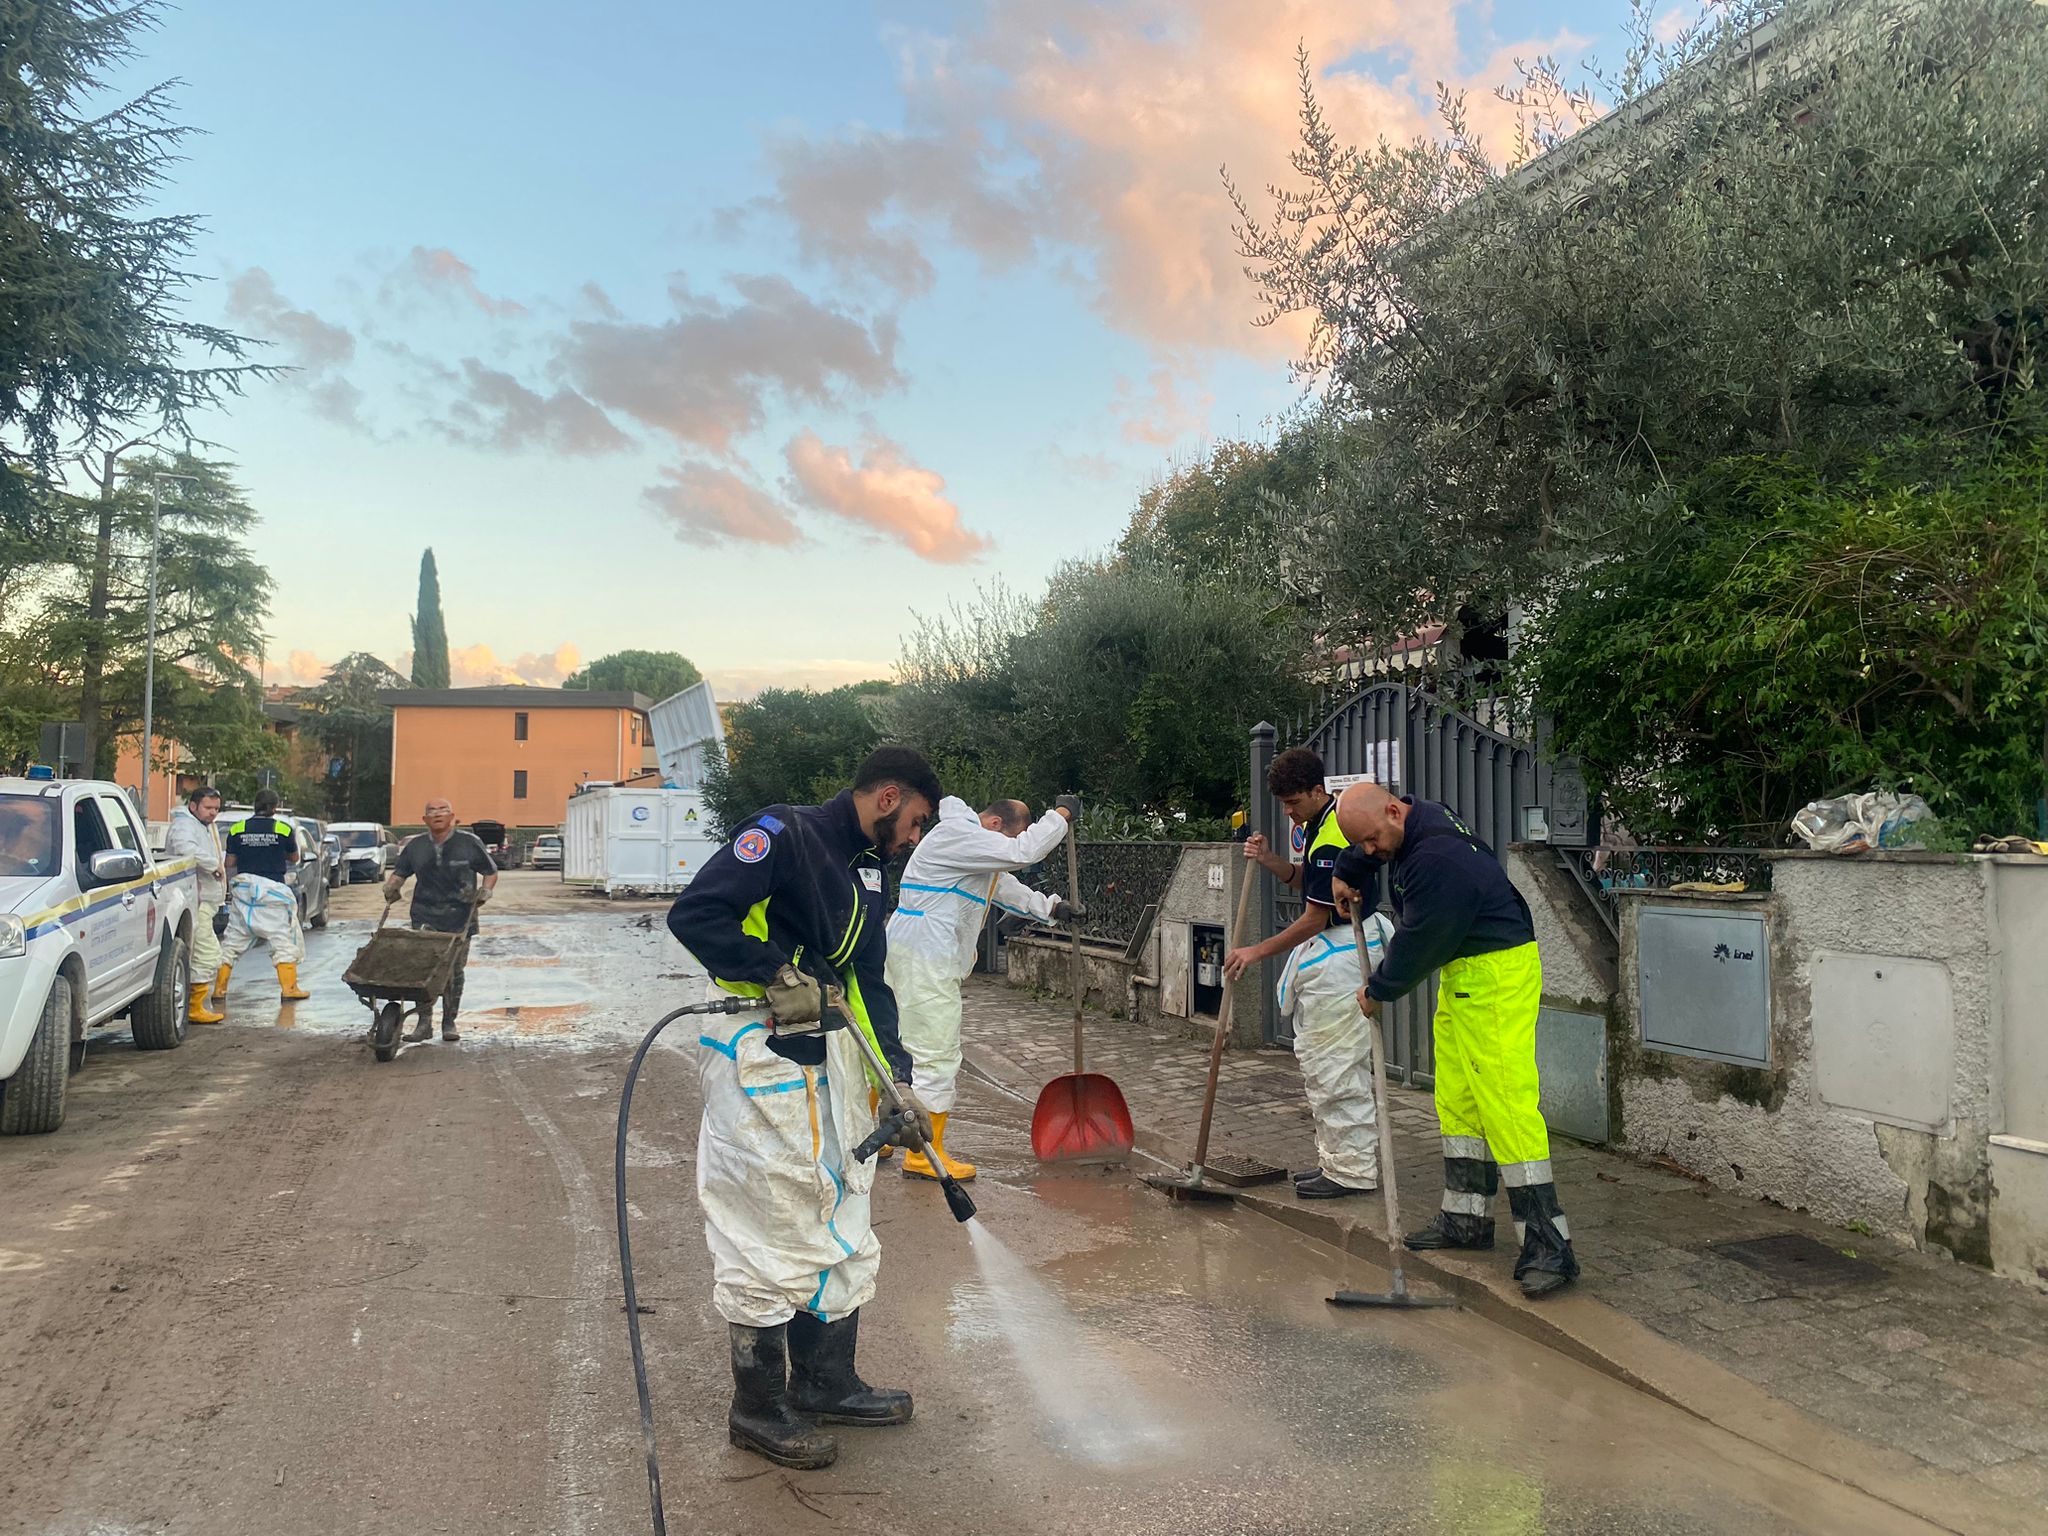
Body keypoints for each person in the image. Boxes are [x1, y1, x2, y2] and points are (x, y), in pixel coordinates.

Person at [665, 746, 941, 1471]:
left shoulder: (869, 871)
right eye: (914, 822)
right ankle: (756, 1407)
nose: (914, 838)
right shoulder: (781, 836)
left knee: (841, 1206)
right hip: (760, 1055)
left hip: (835, 1064)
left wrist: (896, 1077)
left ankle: (826, 1382)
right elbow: (696, 914)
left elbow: (869, 977)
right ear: (887, 797)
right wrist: (773, 972)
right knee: (767, 1218)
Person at [1330, 783, 1579, 1298]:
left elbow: (1421, 939)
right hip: (1467, 976)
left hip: (1494, 976)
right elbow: (1372, 847)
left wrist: (1380, 988)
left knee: (1506, 1106)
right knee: (1459, 1099)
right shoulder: (1417, 821)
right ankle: (1466, 1219)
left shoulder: (1438, 860)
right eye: (1364, 844)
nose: (1372, 850)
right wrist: (1348, 870)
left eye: (1373, 840)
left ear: (1395, 812)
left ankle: (1550, 1247)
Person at [1223, 748, 1389, 1200]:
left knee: (1336, 1067)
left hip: (1343, 955)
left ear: (1319, 791)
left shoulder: (1335, 833)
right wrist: (1271, 859)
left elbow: (1316, 918)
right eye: (1282, 804)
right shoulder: (1321, 823)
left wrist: (1256, 951)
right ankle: (1337, 1163)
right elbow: (1305, 880)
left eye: (1293, 802)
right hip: (1340, 951)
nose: (1288, 812)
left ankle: (1352, 1172)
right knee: (1324, 1065)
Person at [883, 794, 1075, 1181]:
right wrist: (1061, 815)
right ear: (993, 826)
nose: (1004, 848)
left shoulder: (968, 847)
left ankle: (884, 1131)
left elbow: (1004, 887)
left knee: (890, 1042)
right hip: (926, 957)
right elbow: (1025, 852)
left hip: (914, 950)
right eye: (1008, 837)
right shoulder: (958, 834)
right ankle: (924, 1154)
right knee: (936, 1053)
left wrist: (1050, 909)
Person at [382, 798, 497, 1043]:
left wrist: (486, 891)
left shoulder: (469, 843)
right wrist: (391, 887)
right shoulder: (416, 847)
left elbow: (490, 871)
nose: (437, 814)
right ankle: (424, 1024)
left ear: (452, 816)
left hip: (460, 917)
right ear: (424, 819)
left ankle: (449, 1022)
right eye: (431, 811)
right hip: (424, 914)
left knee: (453, 972)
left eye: (442, 810)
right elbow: (400, 873)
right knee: (423, 970)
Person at [217, 789, 309, 1006]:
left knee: (232, 942)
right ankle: (289, 989)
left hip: (245, 892)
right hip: (272, 892)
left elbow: (229, 863)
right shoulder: (283, 828)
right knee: (282, 941)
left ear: (254, 805)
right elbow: (294, 858)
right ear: (274, 807)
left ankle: (219, 990)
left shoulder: (237, 828)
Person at [166, 786, 226, 1023]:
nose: (213, 813)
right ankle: (194, 1007)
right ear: (193, 806)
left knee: (205, 953)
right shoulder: (185, 827)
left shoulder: (202, 826)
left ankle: (196, 1005)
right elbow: (186, 850)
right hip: (195, 900)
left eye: (216, 809)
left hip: (203, 900)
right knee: (207, 954)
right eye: (208, 808)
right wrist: (213, 865)